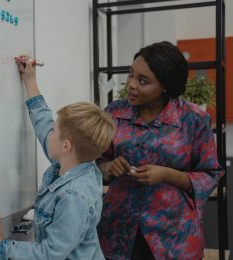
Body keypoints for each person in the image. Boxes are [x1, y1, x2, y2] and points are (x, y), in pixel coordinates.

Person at [96, 41, 225, 259]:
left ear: (165, 85)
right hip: (119, 232)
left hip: (174, 238)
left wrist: (167, 174)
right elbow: (93, 161)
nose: (132, 85)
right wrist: (108, 167)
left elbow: (210, 175)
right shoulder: (114, 113)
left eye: (143, 81)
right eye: (131, 74)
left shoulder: (194, 119)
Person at [0, 55, 116, 259]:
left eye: (55, 130)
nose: (49, 134)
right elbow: (43, 121)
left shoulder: (74, 197)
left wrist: (1, 246)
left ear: (66, 146)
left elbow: (51, 253)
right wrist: (30, 81)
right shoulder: (72, 162)